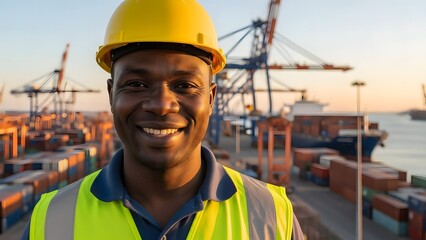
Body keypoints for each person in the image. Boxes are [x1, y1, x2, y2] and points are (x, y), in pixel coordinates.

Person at [22, 0, 304, 239]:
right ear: (111, 94)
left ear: (211, 98)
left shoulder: (272, 217)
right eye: (136, 84)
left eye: (184, 86)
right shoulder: (49, 222)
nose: (160, 105)